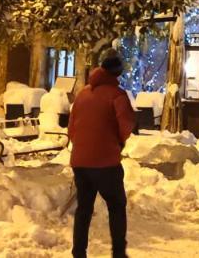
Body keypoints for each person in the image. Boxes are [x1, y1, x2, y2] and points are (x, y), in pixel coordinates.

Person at [69, 51, 136, 258]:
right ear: (116, 73)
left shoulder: (82, 94)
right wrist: (118, 142)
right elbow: (126, 125)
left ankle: (79, 252)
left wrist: (81, 145)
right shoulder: (117, 95)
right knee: (116, 206)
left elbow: (71, 128)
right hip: (106, 162)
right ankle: (118, 253)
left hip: (80, 162)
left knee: (84, 209)